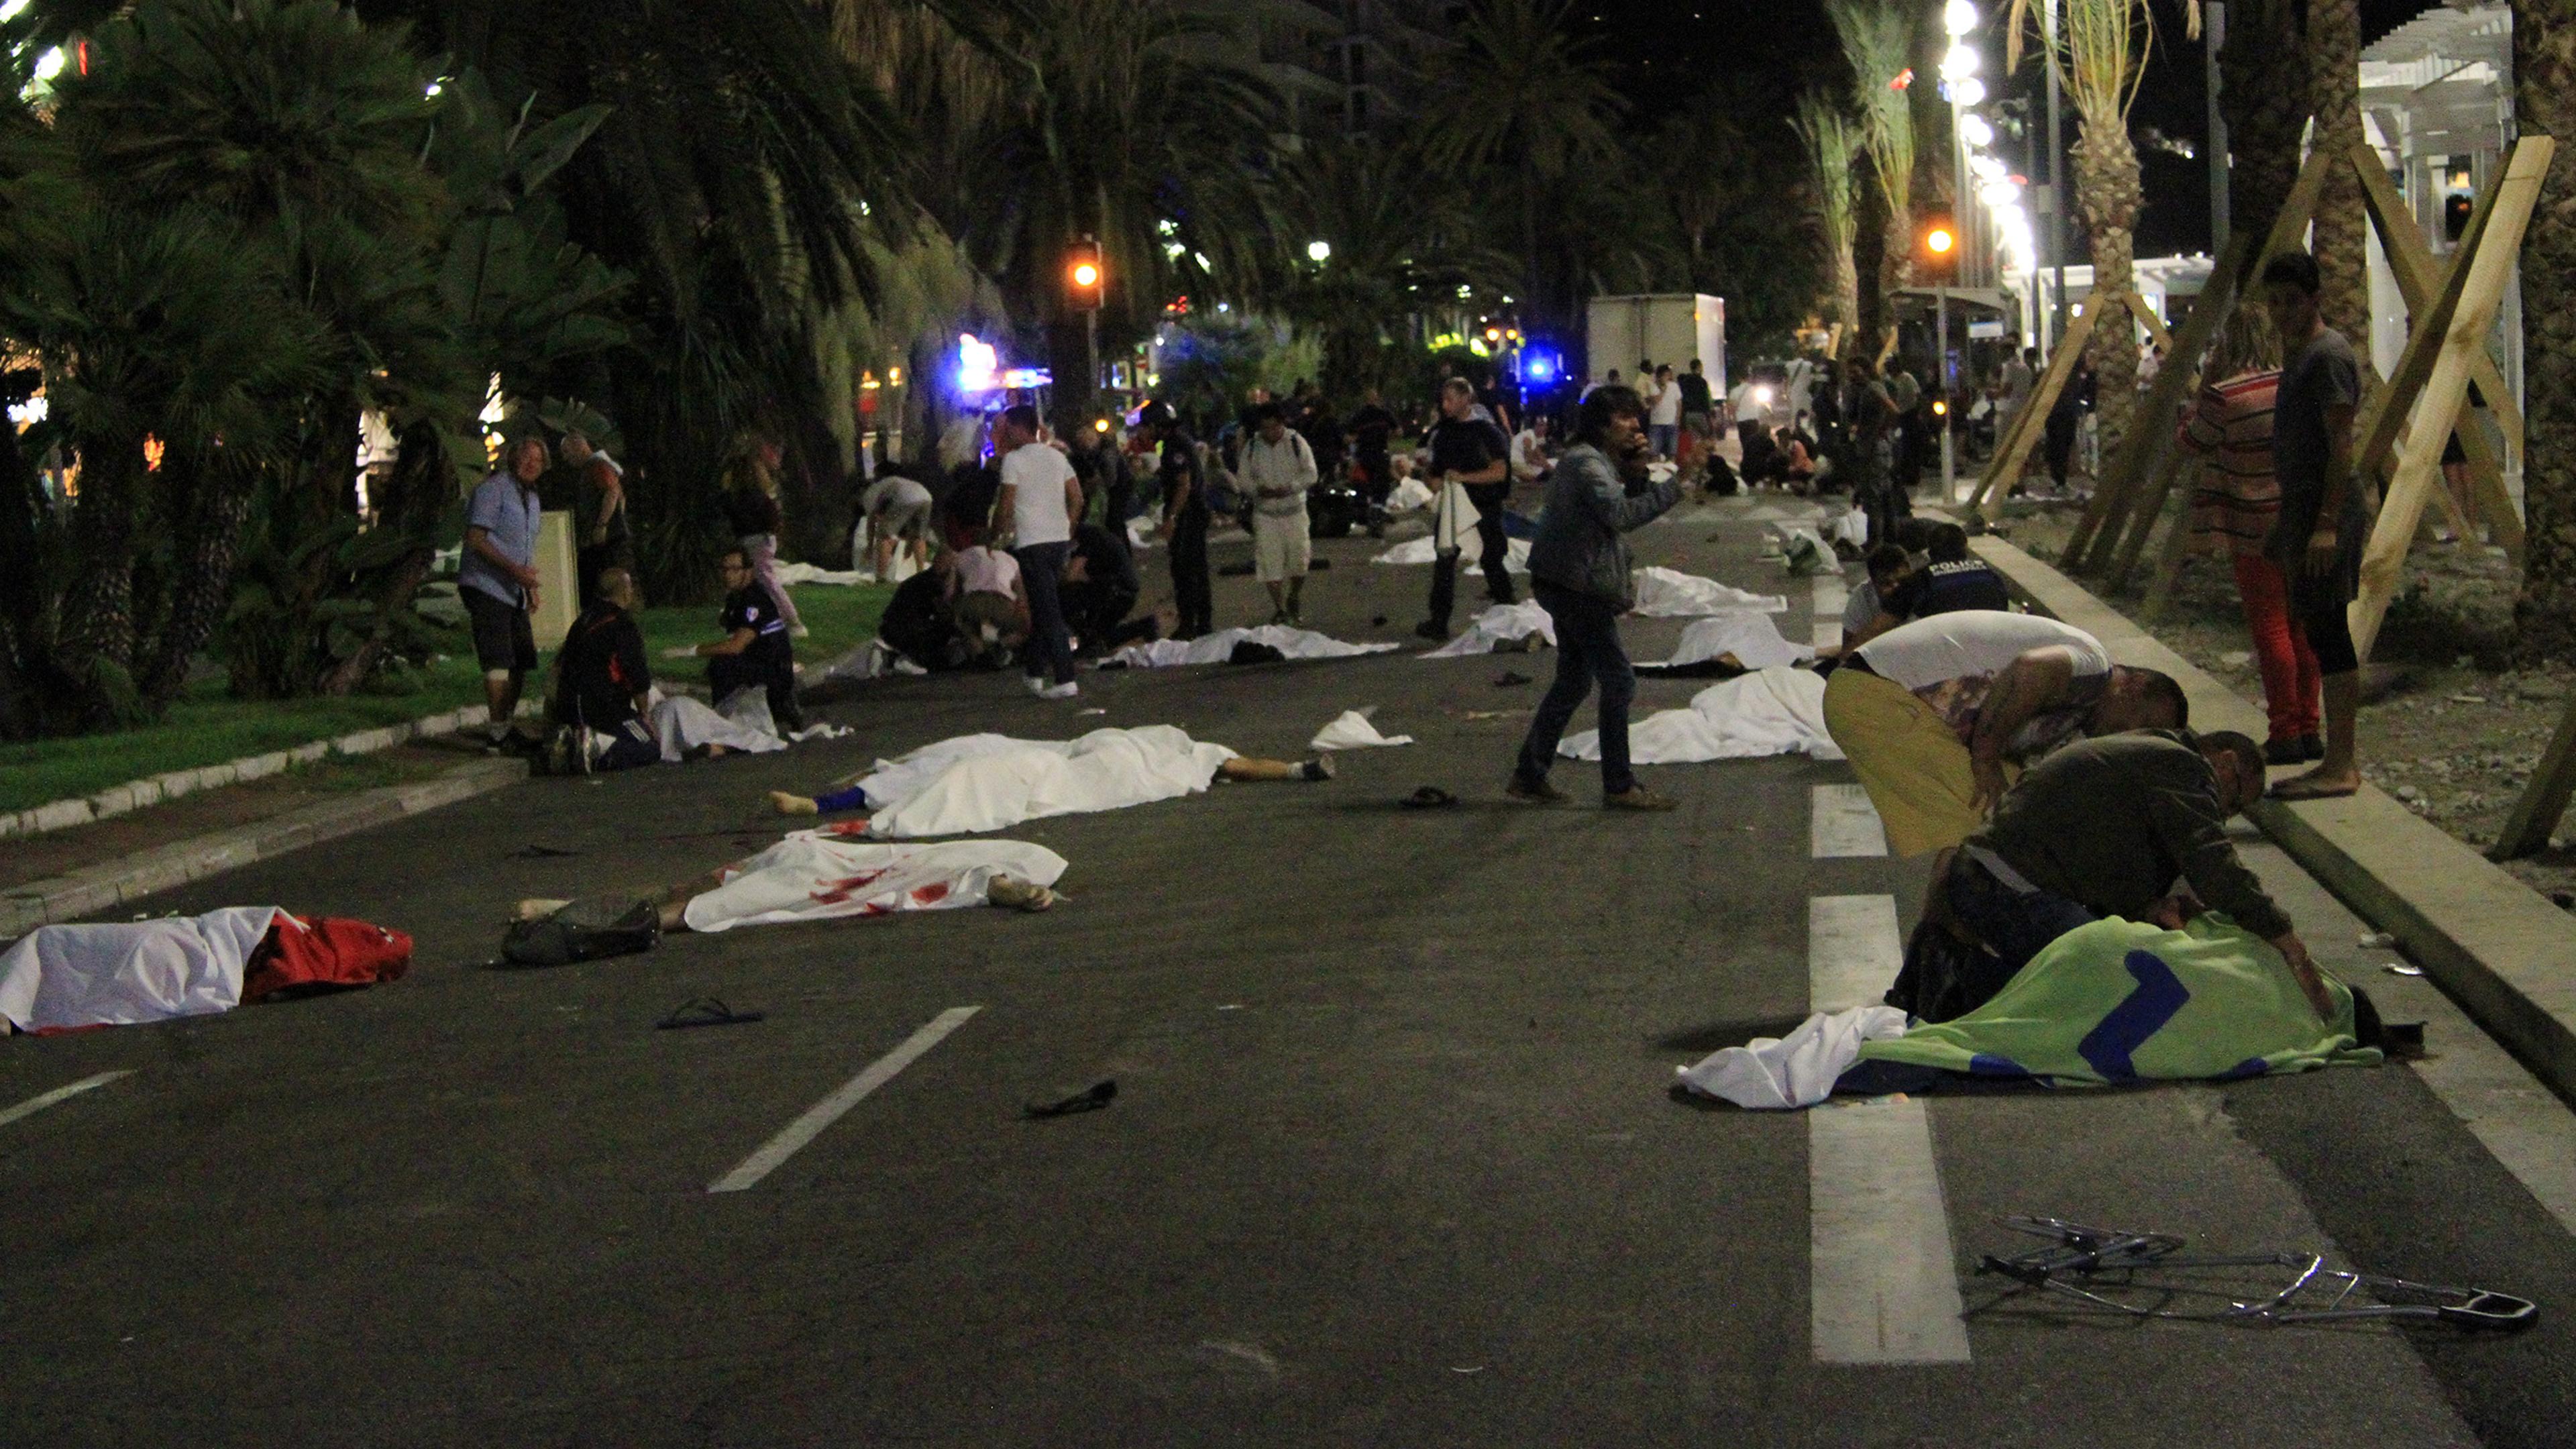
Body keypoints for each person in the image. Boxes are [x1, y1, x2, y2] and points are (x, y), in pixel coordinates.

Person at [1889, 729, 2333, 1024]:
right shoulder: (2183, 767)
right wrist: (2282, 934)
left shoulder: (2143, 756)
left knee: (2103, 961)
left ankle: (1956, 972)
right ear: (2225, 761)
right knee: (2109, 982)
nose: (2224, 813)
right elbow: (2211, 858)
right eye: (2234, 801)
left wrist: (2148, 903)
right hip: (2008, 887)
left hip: (1992, 877)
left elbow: (2105, 858)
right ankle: (1958, 981)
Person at [1822, 610, 2189, 857]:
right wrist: (1985, 759)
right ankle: (1958, 931)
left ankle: (1949, 931)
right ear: (2134, 684)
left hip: (1873, 695)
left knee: (2005, 818)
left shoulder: (2080, 714)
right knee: (2001, 817)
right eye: (2138, 723)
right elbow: (2029, 670)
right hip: (1877, 694)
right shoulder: (2096, 668)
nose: (2128, 736)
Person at [1508, 384, 1684, 811]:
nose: (1635, 426)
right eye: (1625, 418)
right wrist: (1678, 486)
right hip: (1574, 583)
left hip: (1565, 579)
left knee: (1573, 680)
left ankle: (1530, 773)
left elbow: (1622, 500)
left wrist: (1639, 468)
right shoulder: (1586, 464)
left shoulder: (1595, 461)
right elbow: (1621, 515)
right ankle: (1619, 785)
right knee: (1619, 680)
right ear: (1602, 424)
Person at [2176, 304, 2314, 765]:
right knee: (2303, 625)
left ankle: (2285, 731)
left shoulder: (2225, 396)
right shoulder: (2293, 385)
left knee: (2271, 625)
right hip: (2300, 518)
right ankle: (2311, 726)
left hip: (2252, 524)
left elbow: (2191, 442)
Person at [2259, 252, 2366, 800]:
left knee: (2328, 632)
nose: (2281, 312)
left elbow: (2341, 444)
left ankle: (2341, 763)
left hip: (2328, 512)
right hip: (2305, 511)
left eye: (2291, 301)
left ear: (2314, 298)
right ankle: (2334, 759)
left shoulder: (2326, 356)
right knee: (2319, 630)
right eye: (2274, 302)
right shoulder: (2301, 354)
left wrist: (2325, 522)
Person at [460, 435, 548, 753]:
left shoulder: (532, 498)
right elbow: (476, 538)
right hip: (486, 585)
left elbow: (525, 547)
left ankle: (505, 727)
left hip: (514, 590)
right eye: (526, 457)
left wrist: (527, 584)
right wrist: (514, 571)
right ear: (513, 458)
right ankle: (497, 736)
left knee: (522, 660)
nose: (531, 465)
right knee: (498, 659)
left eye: (538, 461)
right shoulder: (493, 490)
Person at [991, 404, 1082, 699]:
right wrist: (1067, 528)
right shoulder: (1057, 457)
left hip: (1032, 543)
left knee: (1048, 611)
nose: (1004, 435)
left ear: (1019, 428)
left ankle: (1065, 678)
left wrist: (995, 535)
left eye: (1007, 429)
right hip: (1057, 542)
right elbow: (1077, 498)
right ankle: (1033, 672)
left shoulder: (1014, 461)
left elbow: (1005, 505)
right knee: (1044, 605)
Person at [1417, 378, 1517, 641]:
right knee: (1444, 562)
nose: (1446, 405)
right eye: (1444, 399)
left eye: (1451, 399)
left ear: (1466, 399)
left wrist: (1463, 479)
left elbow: (1499, 473)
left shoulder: (1487, 432)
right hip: (1454, 508)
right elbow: (1432, 472)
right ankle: (1439, 621)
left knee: (1492, 559)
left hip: (1484, 505)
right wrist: (1438, 483)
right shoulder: (1443, 433)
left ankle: (1509, 610)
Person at [667, 547, 806, 733]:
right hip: (759, 659)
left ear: (748, 571)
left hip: (774, 667)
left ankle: (774, 705)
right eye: (724, 569)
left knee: (723, 665)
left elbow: (736, 646)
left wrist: (691, 651)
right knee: (720, 665)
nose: (728, 575)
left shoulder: (754, 599)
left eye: (734, 569)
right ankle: (746, 712)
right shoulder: (737, 598)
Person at [549, 568, 659, 773]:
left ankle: (573, 743)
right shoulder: (622, 625)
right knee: (649, 746)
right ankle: (598, 751)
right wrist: (644, 715)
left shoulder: (581, 622)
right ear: (626, 592)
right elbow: (636, 675)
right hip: (606, 710)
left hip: (570, 707)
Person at [1849, 523, 2010, 645]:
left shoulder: (1921, 580)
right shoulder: (1990, 576)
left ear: (1930, 552)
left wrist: (1846, 660)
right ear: (1965, 549)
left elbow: (1876, 629)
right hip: (1992, 647)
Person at [1239, 402, 1318, 625]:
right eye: (1264, 428)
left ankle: (1294, 597)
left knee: (1299, 561)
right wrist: (1257, 491)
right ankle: (1281, 608)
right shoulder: (1253, 446)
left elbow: (1311, 474)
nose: (1270, 433)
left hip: (1294, 511)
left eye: (1274, 427)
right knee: (1269, 564)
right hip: (1265, 514)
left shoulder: (1296, 442)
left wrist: (1291, 488)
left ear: (1282, 424)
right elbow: (1243, 478)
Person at [1140, 401, 1213, 639]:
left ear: (1156, 425)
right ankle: (1201, 624)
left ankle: (1190, 625)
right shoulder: (1177, 443)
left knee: (1186, 570)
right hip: (1193, 511)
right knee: (1196, 569)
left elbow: (1184, 485)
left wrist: (1171, 517)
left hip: (1188, 514)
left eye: (1146, 426)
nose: (1144, 431)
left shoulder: (1175, 446)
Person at [724, 435, 806, 637]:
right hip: (759, 539)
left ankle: (793, 621)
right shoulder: (758, 493)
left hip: (756, 540)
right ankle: (746, 621)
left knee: (765, 580)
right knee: (751, 581)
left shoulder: (746, 495)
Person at [1064, 520, 1163, 655]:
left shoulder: (1086, 536)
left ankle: (1079, 640)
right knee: (1099, 637)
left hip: (1114, 593)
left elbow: (1071, 575)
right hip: (1120, 592)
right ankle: (1144, 627)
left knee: (1064, 597)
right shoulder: (1095, 535)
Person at [561, 430, 629, 606]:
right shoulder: (598, 466)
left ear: (579, 447)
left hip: (605, 537)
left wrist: (602, 525)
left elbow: (613, 491)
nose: (565, 458)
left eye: (567, 452)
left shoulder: (597, 466)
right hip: (609, 535)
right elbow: (620, 495)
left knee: (603, 579)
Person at [948, 533, 1028, 666]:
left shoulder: (962, 556)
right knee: (1022, 628)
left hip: (974, 600)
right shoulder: (1010, 559)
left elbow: (950, 591)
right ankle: (1000, 644)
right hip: (1002, 601)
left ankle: (981, 655)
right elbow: (1021, 594)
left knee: (968, 626)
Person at [877, 552, 965, 672]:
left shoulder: (922, 579)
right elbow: (943, 613)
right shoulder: (932, 583)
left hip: (895, 627)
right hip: (905, 629)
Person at [857, 470, 935, 582]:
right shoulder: (888, 483)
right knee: (919, 538)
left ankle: (881, 577)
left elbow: (873, 521)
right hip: (926, 497)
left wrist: (869, 547)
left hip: (904, 498)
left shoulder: (869, 495)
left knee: (885, 537)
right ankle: (921, 574)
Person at [1348, 388, 1399, 527]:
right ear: (1377, 400)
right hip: (1380, 454)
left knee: (1365, 484)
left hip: (1364, 455)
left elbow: (1349, 437)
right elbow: (1398, 431)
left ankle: (1367, 513)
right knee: (1382, 486)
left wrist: (1360, 438)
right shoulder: (1384, 414)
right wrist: (1386, 436)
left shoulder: (1359, 416)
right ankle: (1377, 512)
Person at [1676, 358, 1715, 462]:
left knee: (1693, 439)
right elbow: (1706, 399)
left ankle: (1694, 461)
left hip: (1688, 414)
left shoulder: (1685, 381)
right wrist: (1710, 414)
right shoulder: (1702, 382)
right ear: (1699, 367)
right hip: (1700, 414)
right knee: (1708, 437)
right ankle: (1707, 460)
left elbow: (1682, 398)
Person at [1646, 362, 1682, 460]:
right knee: (1654, 453)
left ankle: (1671, 472)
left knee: (1672, 453)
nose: (1666, 377)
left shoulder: (1674, 386)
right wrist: (1663, 390)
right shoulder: (1652, 386)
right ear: (1659, 376)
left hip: (1671, 423)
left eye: (1668, 374)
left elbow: (1679, 403)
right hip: (1656, 424)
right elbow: (1655, 401)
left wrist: (1677, 419)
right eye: (1664, 375)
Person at [1510, 412, 1552, 486]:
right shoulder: (1528, 436)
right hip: (1515, 462)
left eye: (1545, 426)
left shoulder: (1533, 438)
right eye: (1542, 426)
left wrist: (1547, 465)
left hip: (1519, 462)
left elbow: (1540, 455)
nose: (1545, 428)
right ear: (1535, 426)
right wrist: (1544, 466)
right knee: (1534, 476)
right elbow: (1529, 459)